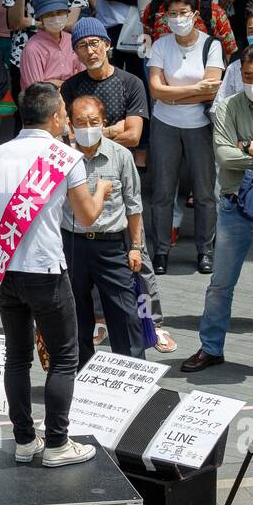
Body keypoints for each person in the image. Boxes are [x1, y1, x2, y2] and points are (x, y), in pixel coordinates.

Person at [0, 82, 112, 467]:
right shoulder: (65, 156)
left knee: (18, 357)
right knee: (64, 357)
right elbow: (88, 215)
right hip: (45, 269)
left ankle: (24, 440)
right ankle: (57, 443)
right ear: (56, 116)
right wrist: (101, 189)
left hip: (5, 269)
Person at [62, 17, 176, 354]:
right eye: (83, 45)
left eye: (96, 43)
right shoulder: (71, 87)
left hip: (118, 174)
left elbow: (134, 135)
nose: (91, 50)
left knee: (142, 268)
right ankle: (99, 324)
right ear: (77, 52)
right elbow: (68, 135)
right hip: (82, 187)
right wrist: (110, 129)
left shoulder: (130, 82)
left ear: (107, 45)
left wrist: (102, 133)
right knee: (90, 282)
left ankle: (154, 325)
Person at [182, 43, 253, 373]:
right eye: (247, 75)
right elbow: (223, 156)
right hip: (233, 207)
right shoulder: (229, 106)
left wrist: (252, 148)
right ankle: (211, 347)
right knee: (220, 285)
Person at [63, 93, 145, 365]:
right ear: (71, 126)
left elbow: (134, 205)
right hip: (72, 244)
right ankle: (80, 375)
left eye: (93, 121)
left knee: (124, 313)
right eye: (80, 123)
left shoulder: (120, 155)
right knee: (75, 314)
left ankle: (133, 373)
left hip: (111, 245)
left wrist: (136, 248)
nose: (87, 128)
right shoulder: (63, 156)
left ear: (104, 122)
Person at [147, 0, 221, 276]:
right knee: (163, 191)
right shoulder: (160, 45)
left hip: (200, 126)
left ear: (195, 15)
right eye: (172, 14)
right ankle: (161, 251)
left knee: (204, 193)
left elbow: (212, 90)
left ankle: (205, 250)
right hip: (165, 124)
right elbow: (155, 90)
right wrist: (193, 90)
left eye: (183, 13)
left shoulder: (210, 45)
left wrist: (172, 94)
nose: (178, 19)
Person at [20, 0, 83, 88]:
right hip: (46, 101)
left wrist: (51, 82)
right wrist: (68, 83)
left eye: (59, 12)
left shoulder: (73, 40)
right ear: (40, 18)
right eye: (49, 14)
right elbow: (36, 90)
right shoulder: (32, 49)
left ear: (66, 13)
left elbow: (84, 79)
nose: (56, 18)